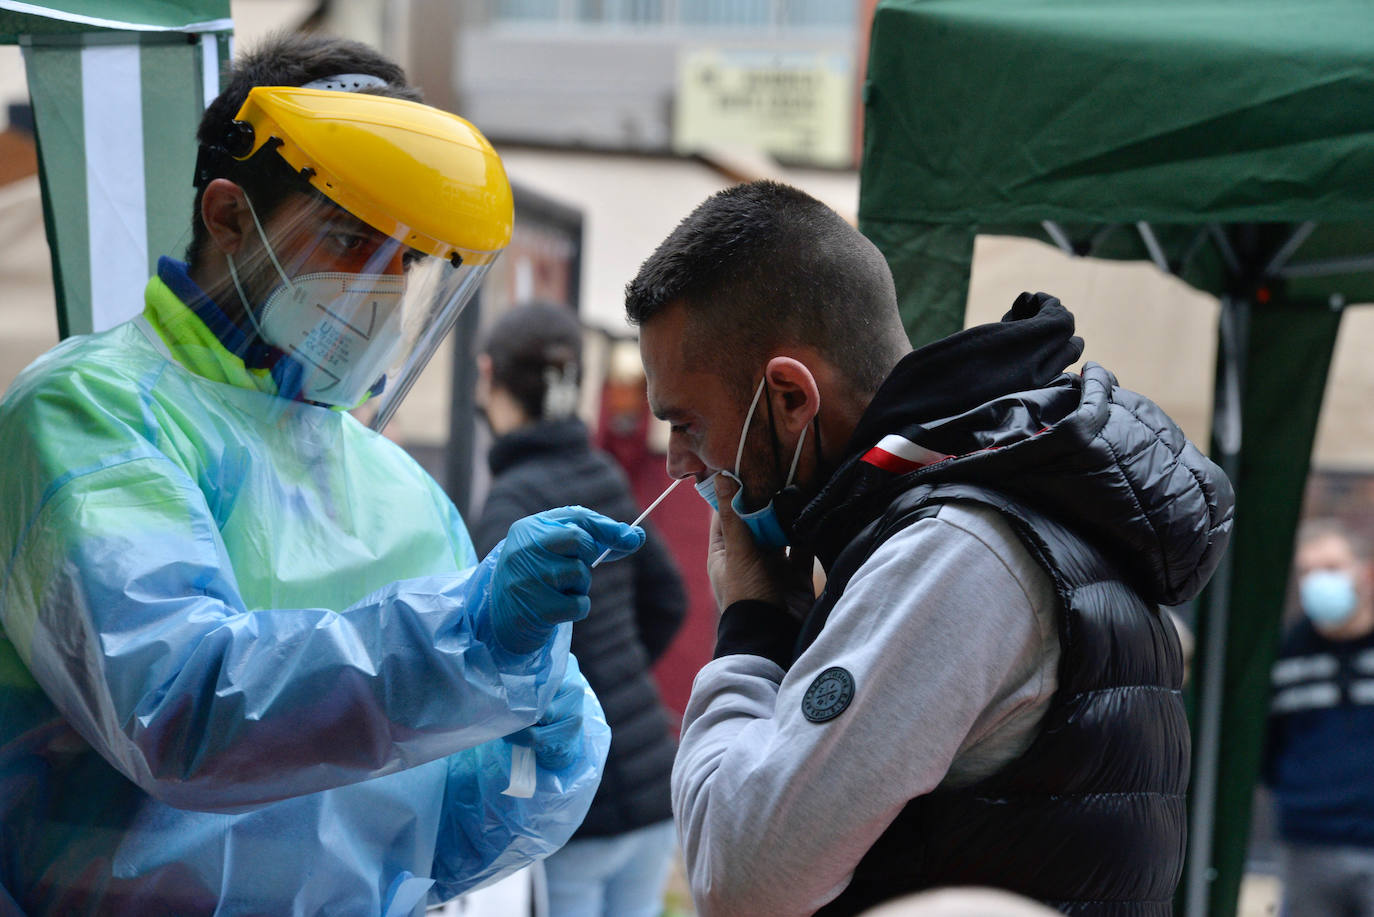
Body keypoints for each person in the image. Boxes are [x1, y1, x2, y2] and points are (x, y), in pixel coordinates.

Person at [0, 33, 647, 916]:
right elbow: (180, 713)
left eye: (409, 259)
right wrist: (467, 638)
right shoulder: (90, 415)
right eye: (349, 237)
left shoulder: (399, 489)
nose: (379, 288)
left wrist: (539, 749)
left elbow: (443, 843)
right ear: (229, 215)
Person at [625, 180, 1234, 916]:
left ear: (791, 397)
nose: (677, 463)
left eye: (686, 422)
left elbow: (742, 880)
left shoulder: (951, 552)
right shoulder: (1008, 494)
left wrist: (750, 625)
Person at [472, 303, 688, 917]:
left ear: (490, 376)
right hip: (649, 782)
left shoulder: (510, 506)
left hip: (572, 799)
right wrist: (614, 673)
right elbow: (668, 598)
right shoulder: (602, 473)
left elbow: (489, 660)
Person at [1262, 519, 1374, 917]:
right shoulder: (1287, 651)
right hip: (1308, 843)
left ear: (1366, 572)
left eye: (1330, 568)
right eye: (1307, 571)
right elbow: (1266, 747)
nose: (1317, 581)